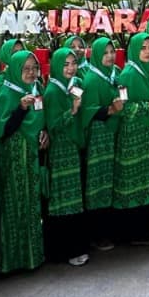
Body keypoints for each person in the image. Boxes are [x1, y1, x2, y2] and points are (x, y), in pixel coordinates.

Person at [0, 50, 48, 274]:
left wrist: (44, 131)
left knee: (31, 203)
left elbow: (43, 116)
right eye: (25, 69)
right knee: (12, 204)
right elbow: (2, 130)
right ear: (15, 69)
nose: (31, 73)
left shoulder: (37, 89)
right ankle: (11, 261)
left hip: (32, 156)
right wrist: (21, 109)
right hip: (14, 157)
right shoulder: (6, 92)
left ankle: (33, 256)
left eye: (34, 68)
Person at [114, 32, 149, 245]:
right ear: (135, 50)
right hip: (132, 137)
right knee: (132, 183)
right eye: (143, 47)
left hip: (148, 135)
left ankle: (145, 230)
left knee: (146, 182)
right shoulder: (127, 75)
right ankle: (131, 233)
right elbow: (122, 108)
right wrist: (148, 105)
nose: (147, 51)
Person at [43, 47, 91, 267]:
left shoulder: (72, 86)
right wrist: (71, 110)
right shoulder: (53, 91)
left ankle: (77, 246)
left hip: (72, 148)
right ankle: (64, 250)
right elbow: (52, 125)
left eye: (73, 63)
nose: (71, 68)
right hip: (61, 151)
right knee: (63, 198)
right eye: (66, 64)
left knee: (74, 197)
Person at [80, 38, 122, 250]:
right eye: (105, 53)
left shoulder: (114, 73)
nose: (110, 56)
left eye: (112, 51)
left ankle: (111, 230)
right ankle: (98, 234)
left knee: (110, 181)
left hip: (113, 134)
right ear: (96, 55)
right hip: (98, 137)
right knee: (98, 183)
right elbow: (87, 111)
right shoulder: (92, 80)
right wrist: (110, 111)